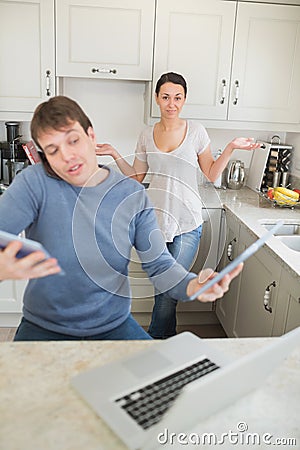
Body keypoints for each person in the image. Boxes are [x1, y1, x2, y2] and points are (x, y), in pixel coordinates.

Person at [0, 95, 243, 342]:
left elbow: (160, 266)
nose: (67, 156)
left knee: (166, 375)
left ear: (91, 136)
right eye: (53, 150)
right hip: (44, 328)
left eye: (73, 141)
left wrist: (194, 285)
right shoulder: (34, 183)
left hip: (112, 327)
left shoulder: (132, 195)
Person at [96, 72, 261, 339]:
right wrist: (115, 152)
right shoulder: (146, 135)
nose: (171, 103)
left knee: (167, 289)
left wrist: (231, 147)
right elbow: (137, 177)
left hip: (187, 223)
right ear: (157, 99)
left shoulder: (196, 131)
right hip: (155, 223)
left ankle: (152, 342)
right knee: (165, 290)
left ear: (184, 100)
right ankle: (167, 342)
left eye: (178, 97)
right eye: (166, 97)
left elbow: (210, 173)